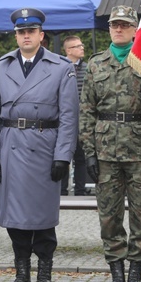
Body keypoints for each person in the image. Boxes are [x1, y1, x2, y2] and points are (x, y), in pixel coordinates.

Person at [0, 7, 78, 282]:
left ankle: (45, 279)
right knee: (15, 220)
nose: (26, 36)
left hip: (44, 147)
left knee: (43, 220)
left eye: (31, 31)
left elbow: (69, 117)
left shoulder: (61, 67)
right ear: (16, 35)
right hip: (10, 145)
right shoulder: (1, 67)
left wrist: (63, 155)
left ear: (41, 35)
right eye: (21, 32)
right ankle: (22, 277)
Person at [79, 6, 141, 282]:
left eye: (124, 25)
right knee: (109, 216)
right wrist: (89, 153)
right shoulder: (96, 65)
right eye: (114, 25)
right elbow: (86, 113)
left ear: (135, 30)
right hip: (106, 152)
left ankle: (136, 277)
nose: (118, 29)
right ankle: (116, 278)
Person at [62, 35, 89, 196]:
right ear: (69, 51)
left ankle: (80, 189)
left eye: (82, 45)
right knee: (63, 156)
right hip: (64, 121)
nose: (82, 48)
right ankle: (61, 190)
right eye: (78, 46)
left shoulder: (88, 68)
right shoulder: (60, 68)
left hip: (82, 120)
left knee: (81, 157)